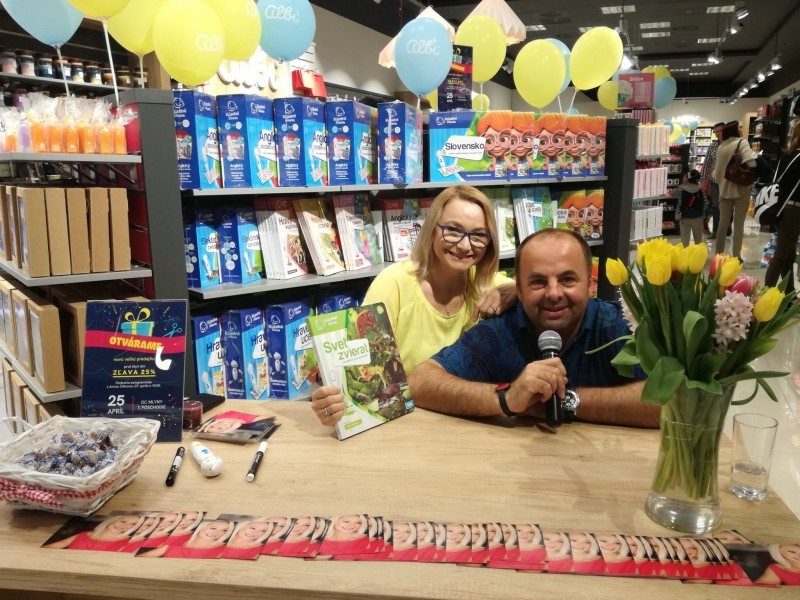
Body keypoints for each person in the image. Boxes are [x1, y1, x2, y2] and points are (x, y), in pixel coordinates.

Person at [409, 228, 658, 427]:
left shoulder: (619, 326)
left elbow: (670, 401)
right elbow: (420, 382)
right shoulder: (499, 331)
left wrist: (565, 401)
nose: (553, 293)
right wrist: (507, 398)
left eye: (567, 279)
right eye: (538, 282)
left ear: (590, 285)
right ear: (518, 290)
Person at [311, 185, 517, 425]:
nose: (464, 245)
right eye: (452, 230)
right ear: (431, 230)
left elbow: (540, 288)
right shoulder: (394, 283)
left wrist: (515, 289)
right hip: (404, 423)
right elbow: (356, 372)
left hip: (468, 419)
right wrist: (333, 403)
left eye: (479, 234)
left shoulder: (485, 283)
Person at [712, 120, 758, 259]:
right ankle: (736, 255)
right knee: (738, 225)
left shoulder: (722, 147)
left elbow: (717, 172)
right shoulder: (742, 143)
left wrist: (723, 185)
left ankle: (718, 254)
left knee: (723, 223)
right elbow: (751, 162)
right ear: (735, 130)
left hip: (725, 191)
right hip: (741, 190)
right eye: (739, 127)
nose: (741, 129)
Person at [765, 120, 800, 294]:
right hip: (794, 211)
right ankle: (765, 295)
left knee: (788, 255)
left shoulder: (787, 155)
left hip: (780, 209)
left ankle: (790, 293)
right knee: (780, 256)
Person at [139, 520, 234, 559]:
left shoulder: (222, 549)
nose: (216, 533)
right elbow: (143, 558)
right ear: (202, 527)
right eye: (213, 528)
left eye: (224, 531)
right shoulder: (177, 543)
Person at [44, 514, 144, 551]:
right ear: (112, 521)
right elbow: (54, 546)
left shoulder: (131, 543)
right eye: (123, 521)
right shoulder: (84, 534)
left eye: (133, 525)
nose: (125, 525)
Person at [700, 122, 726, 237]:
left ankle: (726, 227)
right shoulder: (712, 146)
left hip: (729, 182)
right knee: (715, 206)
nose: (718, 133)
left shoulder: (731, 145)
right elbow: (706, 163)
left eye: (720, 131)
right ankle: (716, 231)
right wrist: (703, 179)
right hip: (715, 181)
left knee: (727, 206)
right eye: (716, 131)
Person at [677, 169, 705, 246]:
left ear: (687, 179)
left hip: (684, 216)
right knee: (698, 239)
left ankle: (686, 255)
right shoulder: (700, 189)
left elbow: (673, 194)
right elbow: (705, 202)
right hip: (698, 217)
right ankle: (698, 255)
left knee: (685, 240)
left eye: (685, 176)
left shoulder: (680, 188)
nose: (683, 177)